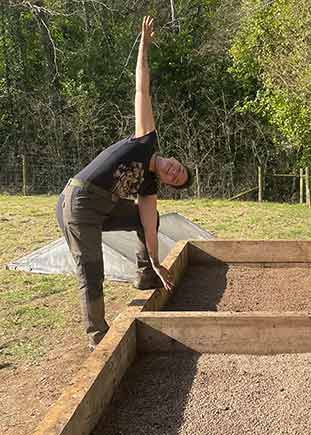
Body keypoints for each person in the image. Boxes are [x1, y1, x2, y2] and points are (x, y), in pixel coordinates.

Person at [56, 16, 192, 350]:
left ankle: (144, 275)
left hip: (102, 207)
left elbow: (148, 225)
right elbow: (141, 87)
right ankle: (97, 338)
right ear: (173, 159)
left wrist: (156, 261)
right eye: (179, 168)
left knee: (147, 218)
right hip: (79, 201)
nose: (174, 171)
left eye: (176, 178)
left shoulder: (148, 187)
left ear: (166, 182)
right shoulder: (146, 139)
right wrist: (144, 44)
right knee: (91, 269)